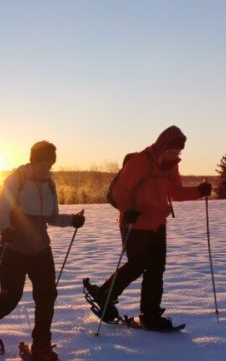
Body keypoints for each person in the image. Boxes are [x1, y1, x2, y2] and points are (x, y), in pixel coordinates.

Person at [84, 125, 212, 331]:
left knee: (156, 269)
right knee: (137, 264)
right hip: (134, 223)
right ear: (162, 146)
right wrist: (127, 209)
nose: (175, 155)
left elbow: (176, 192)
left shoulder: (171, 166)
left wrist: (198, 191)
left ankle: (150, 314)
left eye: (178, 152)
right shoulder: (139, 162)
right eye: (172, 150)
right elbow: (120, 191)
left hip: (157, 224)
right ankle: (105, 294)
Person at [0, 141, 85, 361]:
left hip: (40, 249)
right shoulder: (17, 179)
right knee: (11, 296)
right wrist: (4, 230)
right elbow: (2, 211)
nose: (46, 169)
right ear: (33, 161)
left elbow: (51, 218)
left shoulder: (49, 184)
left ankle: (41, 346)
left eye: (50, 165)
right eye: (42, 164)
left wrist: (72, 220)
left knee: (47, 296)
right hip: (14, 248)